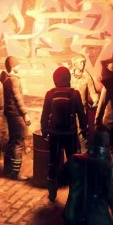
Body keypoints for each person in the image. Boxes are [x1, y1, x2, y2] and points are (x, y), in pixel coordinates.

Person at [40, 67, 88, 201]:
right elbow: (81, 114)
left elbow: (44, 115)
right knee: (73, 162)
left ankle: (52, 192)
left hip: (54, 134)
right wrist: (84, 130)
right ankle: (74, 192)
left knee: (53, 162)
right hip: (70, 134)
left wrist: (44, 131)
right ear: (68, 78)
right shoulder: (74, 94)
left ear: (55, 79)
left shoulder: (50, 94)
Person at [2, 56, 30, 179]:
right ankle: (16, 173)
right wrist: (25, 114)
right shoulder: (14, 80)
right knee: (18, 142)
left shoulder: (6, 79)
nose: (20, 67)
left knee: (12, 141)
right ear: (13, 66)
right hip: (16, 115)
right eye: (18, 65)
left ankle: (7, 169)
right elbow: (18, 99)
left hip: (10, 114)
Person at [69, 55, 99, 127]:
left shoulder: (87, 77)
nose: (83, 64)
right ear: (75, 64)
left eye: (83, 62)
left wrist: (96, 101)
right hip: (70, 108)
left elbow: (93, 92)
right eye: (80, 62)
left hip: (82, 108)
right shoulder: (69, 75)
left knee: (82, 128)